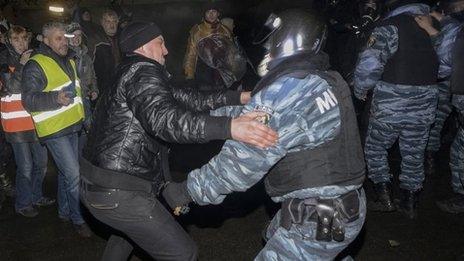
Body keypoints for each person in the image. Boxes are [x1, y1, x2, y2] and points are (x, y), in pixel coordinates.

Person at [163, 9, 366, 260]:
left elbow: (241, 164)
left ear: (287, 40)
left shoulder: (287, 91)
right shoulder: (324, 79)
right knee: (273, 234)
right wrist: (201, 119)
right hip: (344, 206)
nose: (268, 47)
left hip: (319, 218)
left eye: (273, 39)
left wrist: (186, 191)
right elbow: (257, 113)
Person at [79, 21, 278, 260]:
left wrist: (240, 97)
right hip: (118, 192)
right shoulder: (142, 71)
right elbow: (164, 121)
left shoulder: (128, 71)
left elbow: (189, 98)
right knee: (183, 253)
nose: (165, 50)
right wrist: (229, 127)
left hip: (97, 185)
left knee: (127, 235)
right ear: (143, 46)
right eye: (160, 43)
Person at [354, 0, 439, 219]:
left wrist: (361, 89)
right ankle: (410, 202)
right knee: (414, 151)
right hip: (426, 100)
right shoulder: (434, 27)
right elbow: (447, 64)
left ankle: (384, 196)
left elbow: (371, 62)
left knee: (375, 147)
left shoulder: (390, 25)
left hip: (392, 99)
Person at [21, 22, 91, 237]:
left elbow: (77, 92)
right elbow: (28, 99)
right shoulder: (35, 64)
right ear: (46, 40)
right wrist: (54, 98)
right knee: (74, 174)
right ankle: (79, 219)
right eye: (58, 38)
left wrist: (85, 120)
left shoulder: (69, 58)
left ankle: (64, 211)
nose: (64, 41)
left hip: (72, 125)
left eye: (65, 37)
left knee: (65, 174)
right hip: (54, 130)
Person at [0, 25, 55, 217]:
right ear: (8, 41)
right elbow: (12, 86)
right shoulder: (3, 60)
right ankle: (23, 203)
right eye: (16, 39)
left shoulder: (35, 58)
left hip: (36, 121)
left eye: (24, 38)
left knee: (41, 163)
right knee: (25, 167)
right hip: (16, 125)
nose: (21, 43)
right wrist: (22, 64)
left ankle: (36, 196)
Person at [417, 0, 464, 213]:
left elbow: (444, 64)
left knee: (459, 151)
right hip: (452, 93)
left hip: (453, 91)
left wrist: (430, 31)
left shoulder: (455, 27)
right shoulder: (455, 24)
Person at [183, 2, 233, 89]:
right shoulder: (197, 31)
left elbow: (232, 53)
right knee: (207, 99)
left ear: (218, 14)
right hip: (204, 73)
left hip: (222, 73)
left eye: (213, 11)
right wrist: (189, 76)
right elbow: (191, 55)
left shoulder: (225, 30)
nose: (211, 14)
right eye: (208, 12)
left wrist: (235, 71)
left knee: (223, 99)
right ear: (204, 14)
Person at [65, 22, 98, 153]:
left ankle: (83, 161)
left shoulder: (86, 56)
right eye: (73, 35)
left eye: (79, 35)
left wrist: (94, 89)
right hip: (70, 102)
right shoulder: (63, 56)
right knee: (73, 133)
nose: (76, 38)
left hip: (84, 99)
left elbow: (93, 76)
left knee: (88, 131)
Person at [94, 9, 120, 96]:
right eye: (108, 21)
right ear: (102, 22)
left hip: (118, 84)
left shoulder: (122, 39)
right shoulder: (95, 41)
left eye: (114, 21)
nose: (112, 24)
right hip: (102, 89)